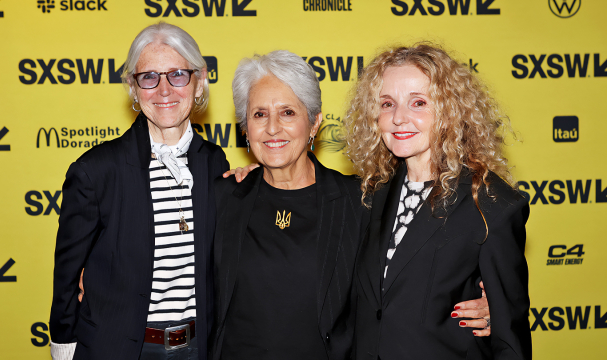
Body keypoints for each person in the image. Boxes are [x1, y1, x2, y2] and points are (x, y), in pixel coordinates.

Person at [210, 50, 491, 360]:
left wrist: (485, 300)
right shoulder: (221, 198)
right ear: (245, 129)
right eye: (259, 114)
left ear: (314, 123)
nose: (273, 127)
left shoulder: (362, 201)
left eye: (288, 112)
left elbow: (418, 269)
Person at [49, 22, 229, 360]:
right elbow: (67, 279)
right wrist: (64, 349)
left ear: (200, 79)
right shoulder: (96, 170)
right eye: (149, 77)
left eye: (177, 74)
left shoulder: (214, 163)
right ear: (133, 86)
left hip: (200, 349)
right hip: (118, 350)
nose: (164, 90)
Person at [345, 43, 531, 359]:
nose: (399, 118)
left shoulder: (490, 203)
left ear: (450, 111)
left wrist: (495, 310)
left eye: (418, 103)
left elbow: (510, 340)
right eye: (387, 104)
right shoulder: (370, 192)